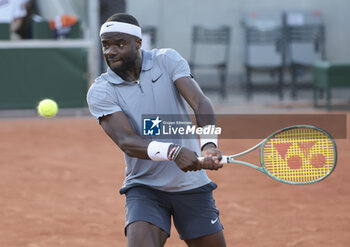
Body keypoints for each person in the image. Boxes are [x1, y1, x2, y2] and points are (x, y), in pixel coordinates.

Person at [87, 13, 226, 247]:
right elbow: (126, 141)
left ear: (138, 43)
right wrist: (174, 152)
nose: (110, 51)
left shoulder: (167, 60)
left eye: (119, 44)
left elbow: (200, 102)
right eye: (106, 45)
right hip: (145, 187)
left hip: (191, 185)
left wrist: (209, 144)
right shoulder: (101, 90)